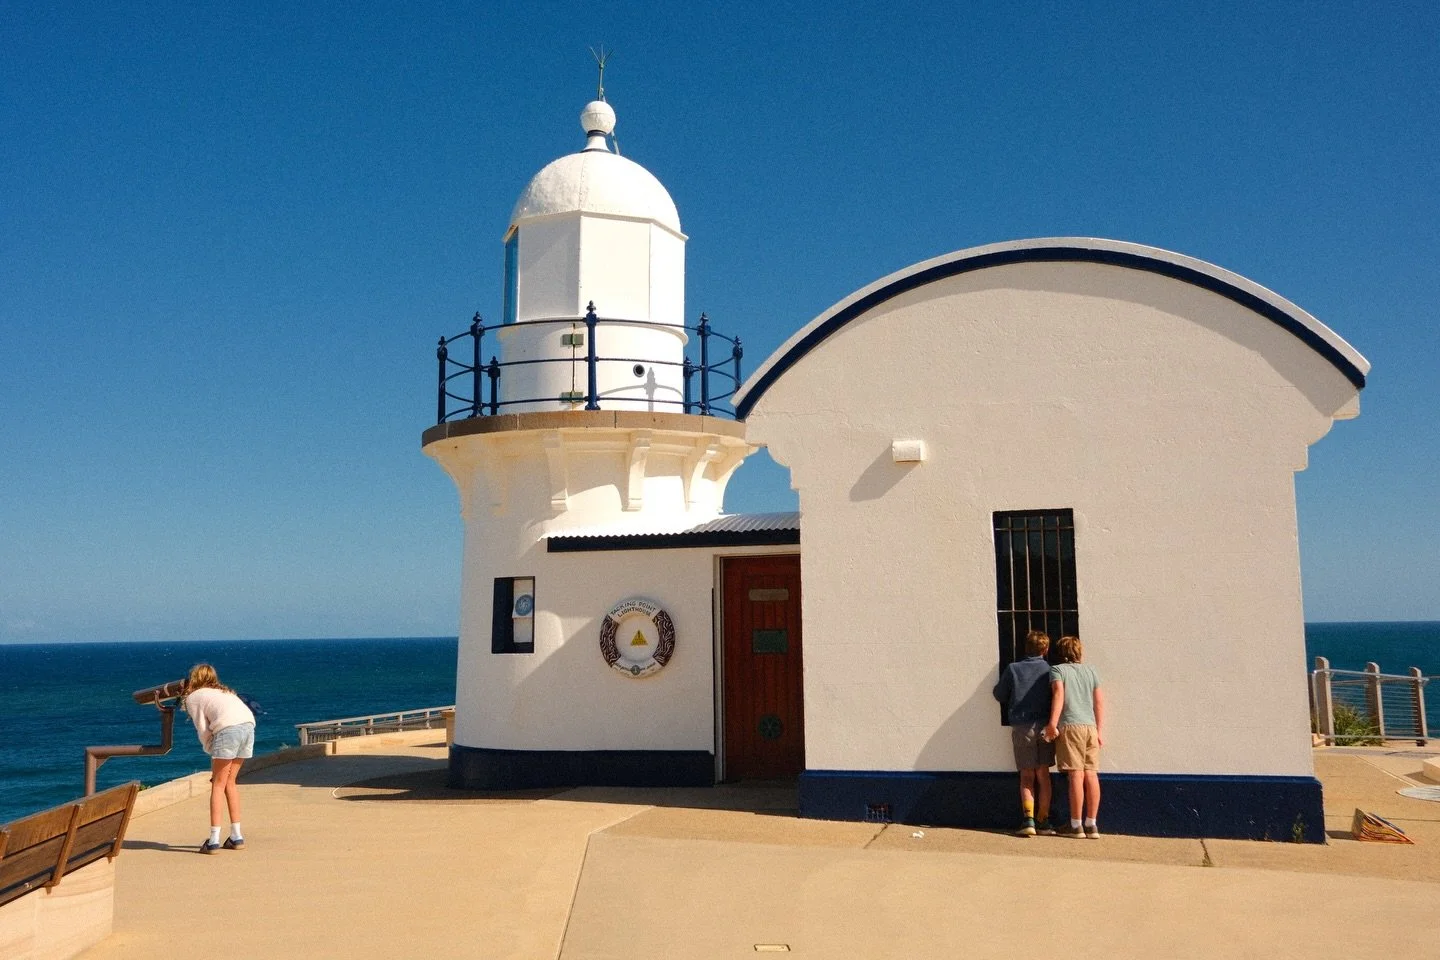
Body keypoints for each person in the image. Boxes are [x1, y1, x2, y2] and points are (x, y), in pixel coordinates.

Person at [183, 663, 255, 854]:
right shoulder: (225, 693)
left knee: (218, 783)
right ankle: (236, 836)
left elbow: (203, 730)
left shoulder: (194, 697)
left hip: (228, 729)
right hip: (248, 726)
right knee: (230, 782)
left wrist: (211, 750)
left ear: (194, 679)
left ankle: (213, 840)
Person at [992, 629, 1056, 836]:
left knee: (1026, 776)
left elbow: (999, 694)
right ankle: (1044, 820)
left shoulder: (1013, 669)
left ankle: (1028, 820)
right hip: (1045, 726)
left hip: (1022, 727)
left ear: (1025, 648)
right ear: (1045, 649)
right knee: (1043, 776)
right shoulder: (1050, 671)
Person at [1044, 635, 1104, 838]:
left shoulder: (1058, 670)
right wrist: (1099, 731)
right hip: (1090, 727)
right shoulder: (1091, 671)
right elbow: (1099, 702)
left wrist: (1052, 723)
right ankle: (1092, 824)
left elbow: (1058, 695)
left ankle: (1076, 825)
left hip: (1070, 726)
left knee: (1075, 775)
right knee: (1091, 774)